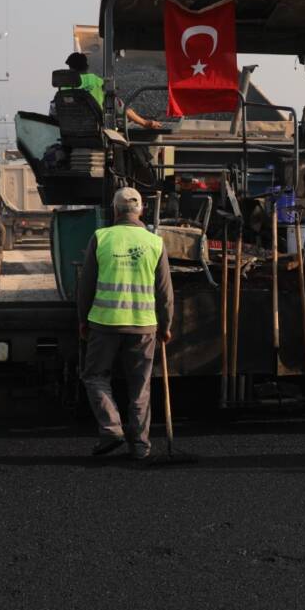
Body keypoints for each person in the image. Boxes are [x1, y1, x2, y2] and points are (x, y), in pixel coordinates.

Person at [76, 187, 174, 460]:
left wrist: (82, 320)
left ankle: (111, 429)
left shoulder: (101, 237)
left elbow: (86, 286)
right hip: (144, 326)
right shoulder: (155, 242)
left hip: (104, 323)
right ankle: (141, 445)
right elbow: (165, 292)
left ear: (116, 210)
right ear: (140, 210)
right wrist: (166, 325)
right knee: (140, 386)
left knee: (95, 376)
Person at [64, 52, 163, 130]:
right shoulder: (96, 81)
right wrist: (145, 123)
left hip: (71, 128)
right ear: (87, 66)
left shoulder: (64, 86)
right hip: (94, 127)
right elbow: (123, 109)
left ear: (71, 68)